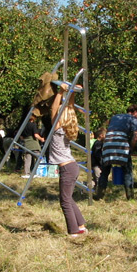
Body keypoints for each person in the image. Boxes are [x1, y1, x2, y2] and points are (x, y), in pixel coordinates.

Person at [49, 84, 87, 237]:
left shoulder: (57, 129)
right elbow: (70, 107)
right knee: (68, 197)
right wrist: (72, 92)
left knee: (64, 201)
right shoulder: (67, 126)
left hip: (67, 168)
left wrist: (60, 92)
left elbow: (53, 110)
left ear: (60, 118)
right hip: (71, 167)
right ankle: (81, 226)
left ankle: (73, 231)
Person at [94, 104, 137, 200]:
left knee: (105, 171)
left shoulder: (116, 117)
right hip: (121, 144)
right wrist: (131, 149)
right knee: (127, 171)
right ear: (135, 112)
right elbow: (135, 137)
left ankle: (99, 195)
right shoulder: (134, 119)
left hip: (108, 143)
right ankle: (130, 196)